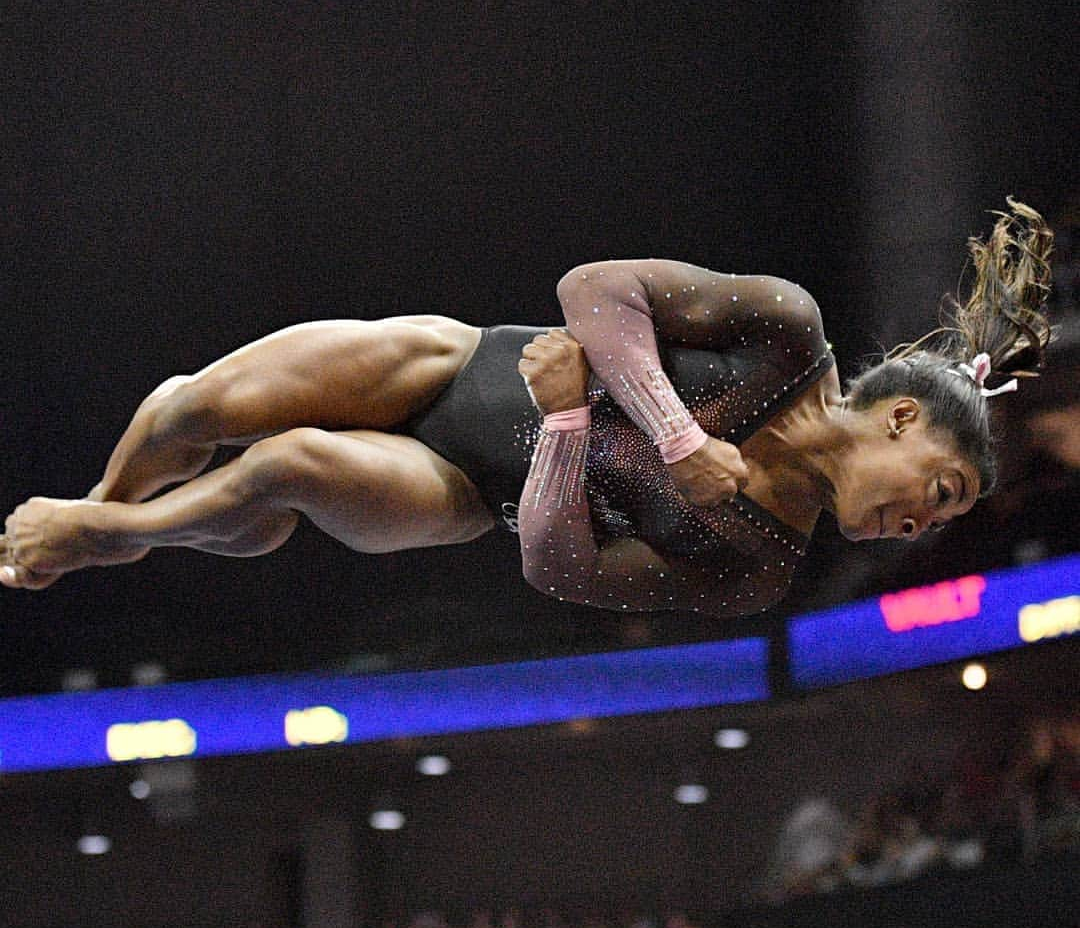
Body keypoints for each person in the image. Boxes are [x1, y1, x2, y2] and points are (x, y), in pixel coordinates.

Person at [0, 200, 1053, 616]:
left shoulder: (760, 563)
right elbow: (597, 289)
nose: (923, 525)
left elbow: (560, 568)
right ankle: (107, 516)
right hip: (451, 364)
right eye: (940, 494)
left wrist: (562, 429)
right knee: (198, 407)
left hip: (467, 487)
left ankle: (109, 530)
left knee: (289, 466)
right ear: (904, 421)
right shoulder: (782, 330)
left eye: (937, 523)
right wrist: (678, 432)